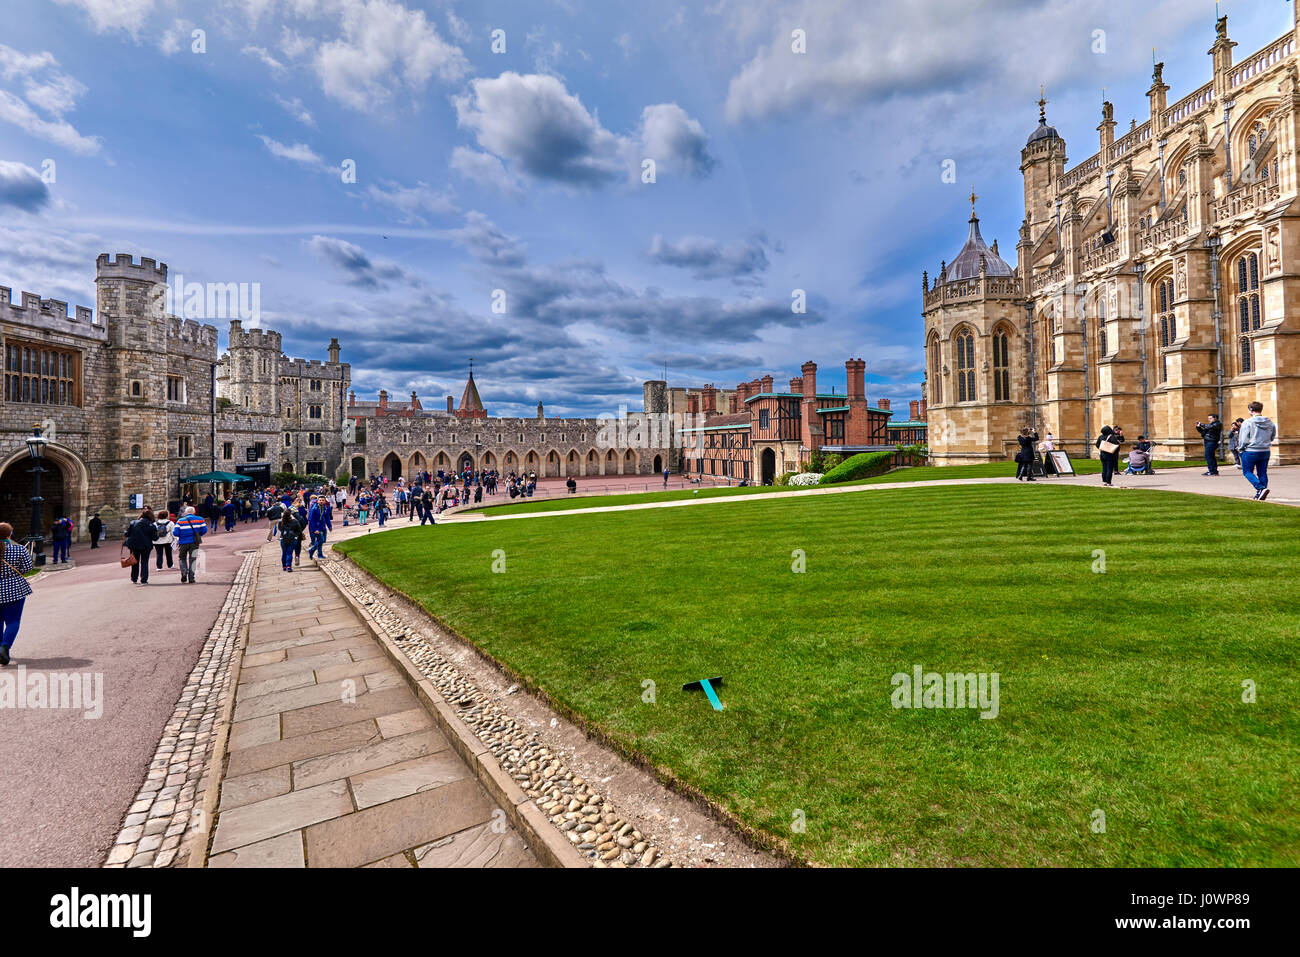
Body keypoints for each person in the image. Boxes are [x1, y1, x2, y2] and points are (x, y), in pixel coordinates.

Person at [0, 522, 34, 666]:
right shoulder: (18, 549)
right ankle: (5, 646)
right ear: (10, 534)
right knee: (13, 621)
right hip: (14, 589)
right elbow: (27, 568)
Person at [1238, 401, 1277, 501]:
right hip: (1265, 450)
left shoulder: (1248, 422)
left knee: (1247, 472)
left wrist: (1241, 448)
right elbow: (1272, 436)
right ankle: (1260, 493)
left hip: (1251, 450)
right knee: (1262, 472)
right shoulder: (1270, 422)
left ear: (1251, 410)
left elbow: (1243, 438)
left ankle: (1261, 488)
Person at [173, 506, 207, 583]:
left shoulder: (180, 521)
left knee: (182, 558)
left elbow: (175, 533)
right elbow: (204, 530)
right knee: (193, 559)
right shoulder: (200, 519)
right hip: (194, 542)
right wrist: (197, 535)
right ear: (194, 512)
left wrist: (182, 535)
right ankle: (191, 578)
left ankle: (184, 572)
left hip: (183, 542)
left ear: (185, 513)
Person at [124, 508, 159, 584]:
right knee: (144, 562)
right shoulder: (151, 525)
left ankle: (134, 578)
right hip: (146, 546)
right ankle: (144, 579)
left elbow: (127, 534)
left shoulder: (133, 522)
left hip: (134, 545)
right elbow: (155, 538)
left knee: (134, 562)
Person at [307, 496, 329, 560]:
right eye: (320, 500)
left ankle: (312, 550)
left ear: (325, 501)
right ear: (317, 501)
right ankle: (318, 553)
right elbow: (311, 520)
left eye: (323, 500)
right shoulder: (314, 509)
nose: (321, 501)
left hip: (322, 526)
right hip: (316, 527)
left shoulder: (324, 507)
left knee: (322, 540)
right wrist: (315, 529)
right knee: (321, 540)